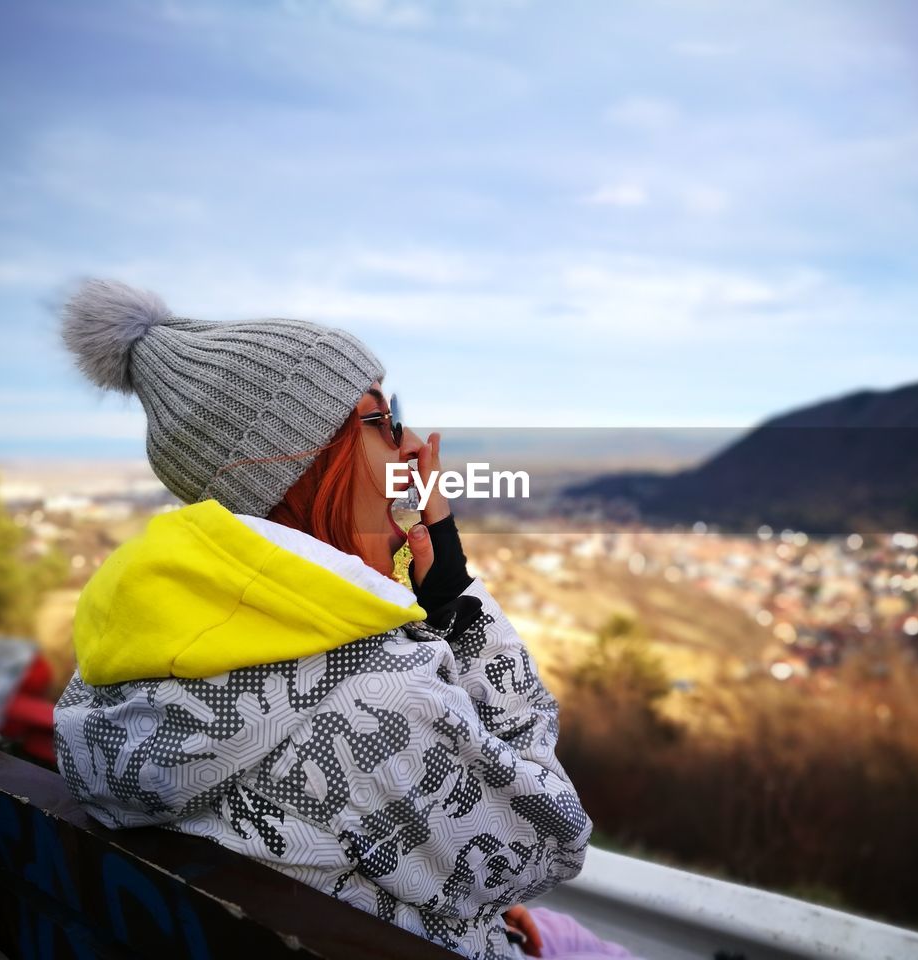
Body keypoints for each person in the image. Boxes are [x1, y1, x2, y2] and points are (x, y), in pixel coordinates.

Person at [52, 278, 637, 960]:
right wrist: (460, 604)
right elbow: (551, 845)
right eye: (381, 422)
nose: (411, 447)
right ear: (300, 465)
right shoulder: (375, 697)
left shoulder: (109, 677)